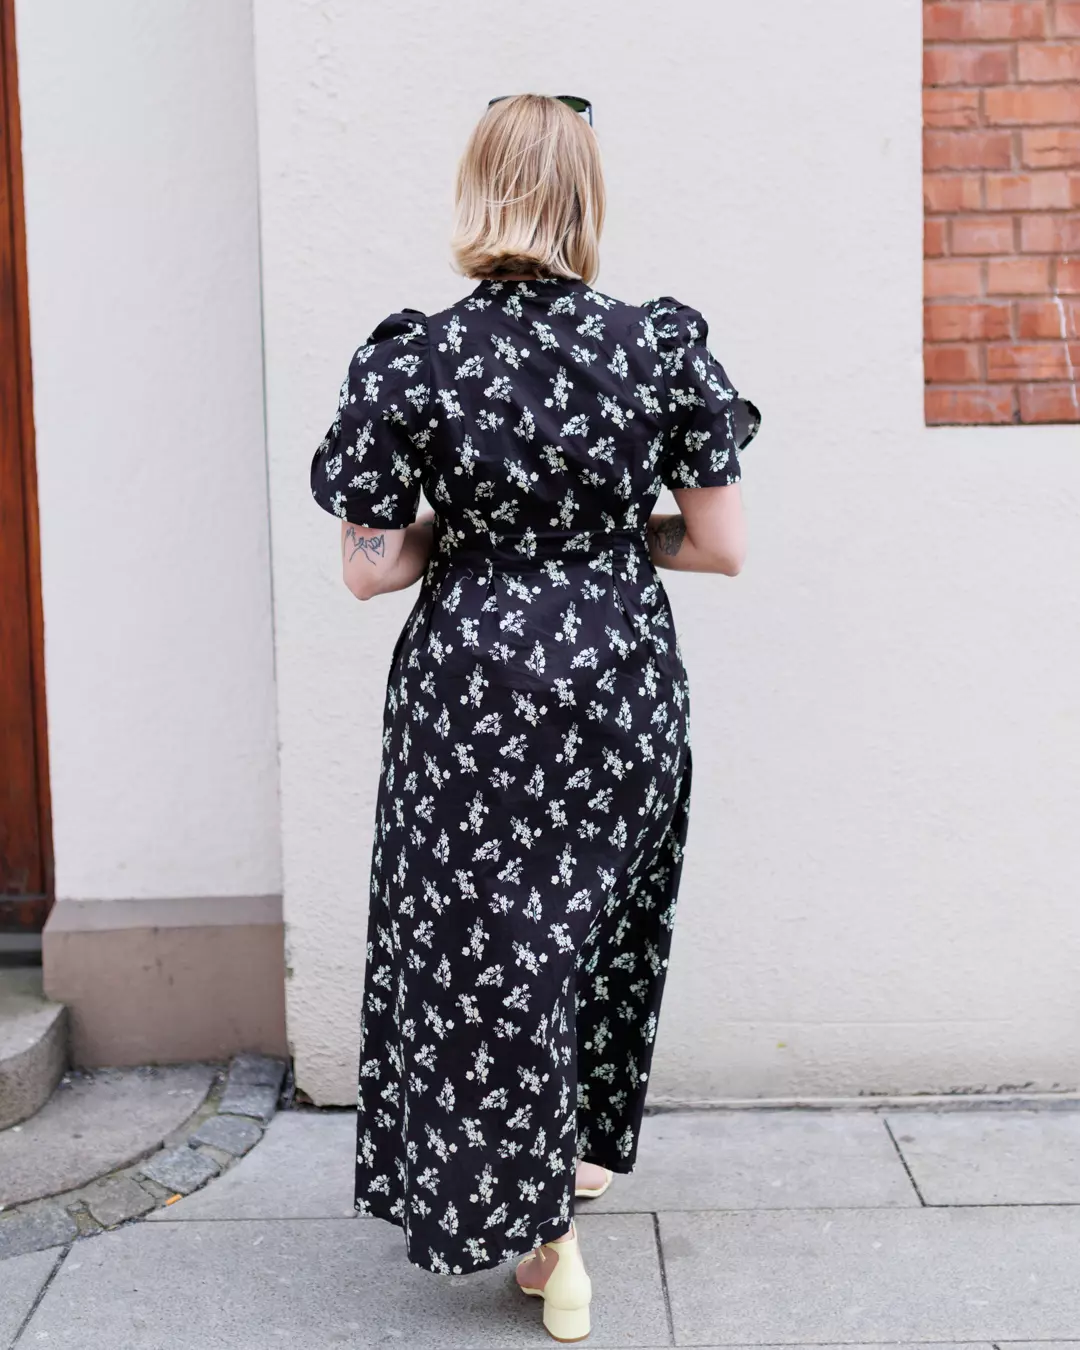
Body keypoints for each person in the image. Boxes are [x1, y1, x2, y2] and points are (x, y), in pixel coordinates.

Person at [310, 91, 760, 1343]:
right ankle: (562, 1184)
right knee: (581, 942)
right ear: (587, 197)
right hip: (619, 682)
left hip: (469, 693)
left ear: (478, 191)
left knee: (482, 958)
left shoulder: (415, 358)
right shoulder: (657, 346)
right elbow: (721, 545)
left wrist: (471, 536)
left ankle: (540, 1234)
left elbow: (368, 569)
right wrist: (607, 538)